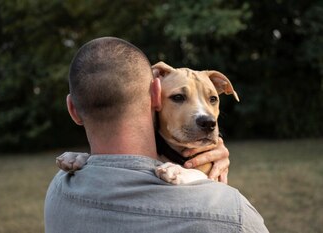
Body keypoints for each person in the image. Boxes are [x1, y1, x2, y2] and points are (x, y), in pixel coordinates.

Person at [44, 37, 269, 233]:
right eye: (179, 98)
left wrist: (89, 160)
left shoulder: (58, 189)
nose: (208, 117)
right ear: (155, 94)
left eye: (213, 99)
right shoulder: (234, 215)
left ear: (73, 109)